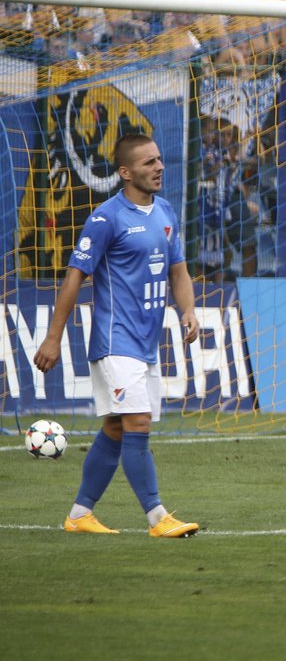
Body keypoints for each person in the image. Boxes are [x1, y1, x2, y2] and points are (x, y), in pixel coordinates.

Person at [33, 133, 202, 538]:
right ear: (125, 173)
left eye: (159, 159)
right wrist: (54, 338)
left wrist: (189, 310)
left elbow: (178, 269)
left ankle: (79, 514)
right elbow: (75, 277)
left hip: (145, 343)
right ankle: (158, 518)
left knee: (115, 428)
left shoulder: (164, 212)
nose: (159, 167)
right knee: (138, 422)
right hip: (115, 341)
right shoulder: (107, 218)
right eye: (148, 163)